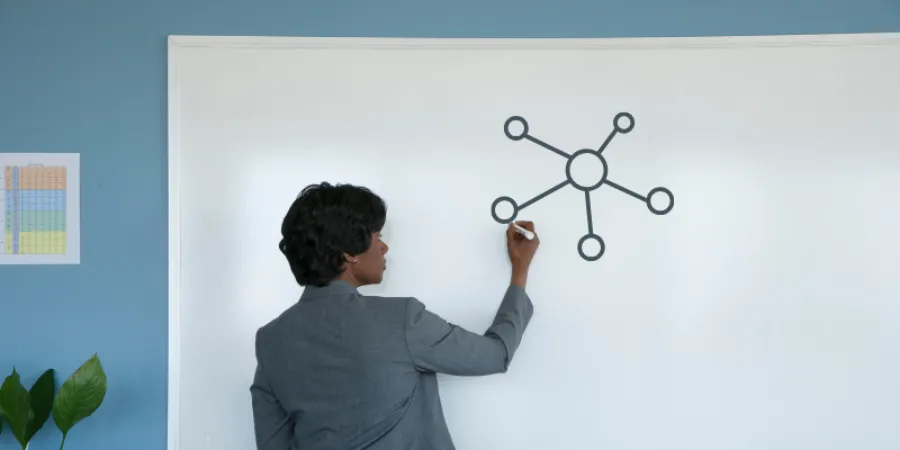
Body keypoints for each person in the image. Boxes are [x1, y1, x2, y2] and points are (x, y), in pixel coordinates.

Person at [250, 182, 539, 450]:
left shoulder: (270, 340)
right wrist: (520, 270)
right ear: (350, 253)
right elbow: (496, 354)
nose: (384, 247)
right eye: (378, 236)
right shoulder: (401, 320)